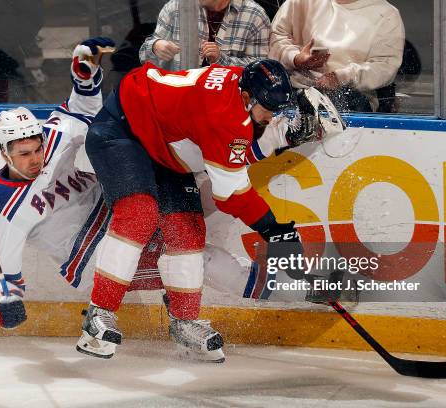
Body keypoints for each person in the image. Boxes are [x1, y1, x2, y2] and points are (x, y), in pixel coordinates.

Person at [81, 58, 317, 362]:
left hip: (163, 146)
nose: (272, 116)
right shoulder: (225, 117)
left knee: (188, 228)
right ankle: (98, 314)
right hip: (121, 130)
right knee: (139, 213)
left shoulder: (238, 83)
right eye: (268, 109)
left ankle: (184, 322)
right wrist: (275, 230)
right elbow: (230, 194)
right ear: (247, 98)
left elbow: (230, 154)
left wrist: (279, 137)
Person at [0, 37, 115, 329]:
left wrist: (85, 77)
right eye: (24, 154)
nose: (35, 159)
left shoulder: (52, 139)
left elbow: (82, 109)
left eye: (37, 149)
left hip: (111, 209)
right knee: (181, 259)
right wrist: (5, 301)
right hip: (87, 253)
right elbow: (0, 274)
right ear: (4, 153)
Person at [269, 0, 405, 112]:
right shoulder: (299, 2)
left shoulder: (387, 15)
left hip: (350, 98)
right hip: (292, 88)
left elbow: (385, 66)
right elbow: (277, 36)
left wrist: (341, 77)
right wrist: (296, 58)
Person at [139, 0, 271, 70]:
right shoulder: (175, 8)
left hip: (226, 104)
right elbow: (144, 57)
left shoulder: (255, 16)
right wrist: (155, 47)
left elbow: (262, 70)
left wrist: (221, 60)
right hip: (179, 99)